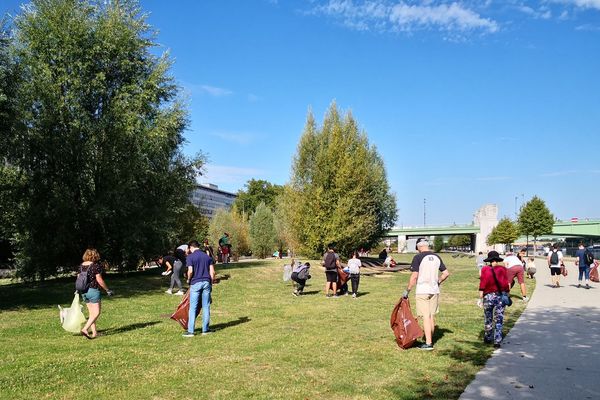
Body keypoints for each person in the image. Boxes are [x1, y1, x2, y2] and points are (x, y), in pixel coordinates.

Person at [402, 238, 450, 350]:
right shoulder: (437, 257)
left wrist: (407, 290)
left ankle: (428, 343)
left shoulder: (418, 257)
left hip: (423, 290)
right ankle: (430, 338)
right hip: (434, 290)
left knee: (426, 317)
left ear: (419, 246)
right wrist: (438, 282)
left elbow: (414, 276)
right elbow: (446, 273)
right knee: (431, 315)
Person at [183, 240, 215, 337]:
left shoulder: (190, 257)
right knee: (206, 306)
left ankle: (191, 331)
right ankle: (205, 330)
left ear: (191, 247)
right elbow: (212, 272)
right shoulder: (207, 256)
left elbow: (190, 271)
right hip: (206, 282)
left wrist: (188, 279)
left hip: (195, 283)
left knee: (193, 307)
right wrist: (211, 283)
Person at [478, 250, 509, 347]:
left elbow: (482, 283)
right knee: (499, 318)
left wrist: (480, 296)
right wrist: (507, 293)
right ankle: (497, 340)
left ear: (489, 260)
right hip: (500, 295)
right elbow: (506, 283)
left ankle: (488, 337)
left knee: (488, 317)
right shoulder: (503, 269)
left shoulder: (484, 269)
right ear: (497, 259)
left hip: (488, 296)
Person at [79, 248, 113, 339]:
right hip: (93, 291)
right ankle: (85, 329)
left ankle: (94, 333)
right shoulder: (95, 266)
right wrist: (107, 290)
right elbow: (100, 280)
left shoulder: (81, 265)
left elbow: (78, 278)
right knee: (96, 312)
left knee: (91, 314)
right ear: (94, 256)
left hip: (84, 291)